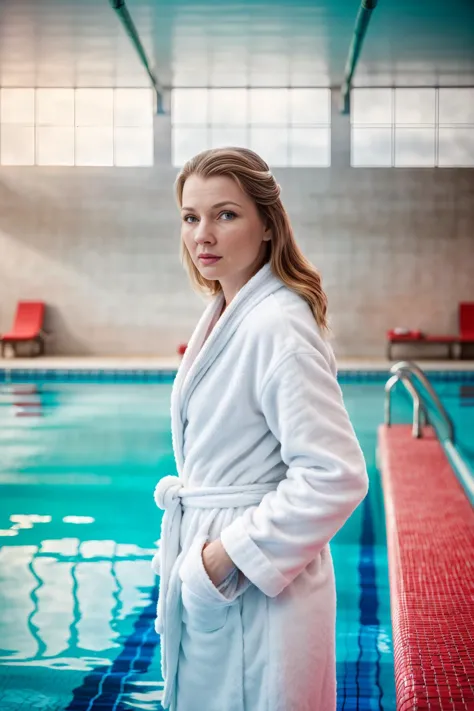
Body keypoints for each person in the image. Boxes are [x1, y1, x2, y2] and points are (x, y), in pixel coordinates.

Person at [151, 146, 369, 711]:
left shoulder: (277, 323)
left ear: (268, 226)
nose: (203, 235)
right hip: (229, 584)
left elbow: (335, 476)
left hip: (253, 589)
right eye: (190, 217)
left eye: (226, 215)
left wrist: (223, 559)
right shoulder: (230, 311)